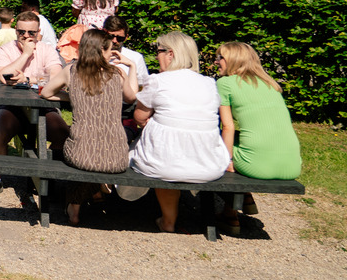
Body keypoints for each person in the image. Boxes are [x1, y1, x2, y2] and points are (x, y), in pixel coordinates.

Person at [128, 32, 230, 233]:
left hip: (164, 164)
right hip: (208, 164)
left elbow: (139, 117)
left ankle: (167, 220)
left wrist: (155, 123)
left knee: (162, 152)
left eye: (158, 51)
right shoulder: (209, 83)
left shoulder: (158, 80)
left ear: (170, 54)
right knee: (172, 149)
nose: (156, 56)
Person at [41, 29, 137, 225]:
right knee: (97, 159)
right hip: (117, 156)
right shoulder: (117, 73)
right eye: (111, 49)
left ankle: (74, 205)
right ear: (101, 50)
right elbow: (131, 96)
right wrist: (132, 66)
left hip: (81, 152)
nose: (113, 53)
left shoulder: (71, 70)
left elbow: (47, 93)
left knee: (81, 155)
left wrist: (71, 96)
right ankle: (97, 188)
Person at [215, 41, 302, 234]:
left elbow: (227, 126)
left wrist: (227, 160)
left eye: (221, 57)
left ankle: (230, 215)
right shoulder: (270, 84)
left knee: (214, 147)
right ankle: (243, 198)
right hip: (292, 164)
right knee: (241, 141)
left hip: (256, 164)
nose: (216, 62)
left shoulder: (225, 83)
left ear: (234, 60)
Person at [0, 11, 69, 199]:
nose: (27, 37)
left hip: (43, 106)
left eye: (31, 33)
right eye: (22, 32)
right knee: (0, 129)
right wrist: (26, 54)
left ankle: (47, 176)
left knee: (63, 133)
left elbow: (56, 76)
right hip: (11, 106)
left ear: (39, 33)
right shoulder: (6, 49)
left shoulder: (47, 50)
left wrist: (28, 78)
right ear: (16, 31)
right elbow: (4, 76)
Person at [103, 16, 148, 91]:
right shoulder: (94, 55)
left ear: (126, 37)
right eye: (111, 36)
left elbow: (143, 86)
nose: (114, 41)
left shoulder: (136, 58)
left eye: (119, 38)